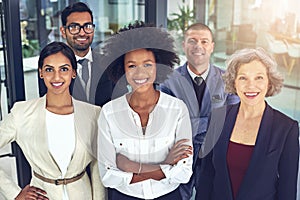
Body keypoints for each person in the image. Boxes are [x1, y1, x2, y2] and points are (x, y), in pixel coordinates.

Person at [97, 21, 193, 200]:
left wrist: (131, 166)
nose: (140, 73)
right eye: (132, 66)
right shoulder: (109, 113)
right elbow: (108, 176)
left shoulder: (177, 109)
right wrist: (165, 165)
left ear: (159, 66)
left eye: (147, 64)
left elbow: (184, 172)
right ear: (122, 69)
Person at [0, 42, 105, 200]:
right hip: (41, 195)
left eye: (64, 69)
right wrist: (13, 193)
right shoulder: (21, 113)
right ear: (41, 73)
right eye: (49, 69)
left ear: (73, 73)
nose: (56, 77)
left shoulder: (93, 114)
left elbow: (97, 168)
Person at [198, 47, 299, 200]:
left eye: (259, 78)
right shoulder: (218, 117)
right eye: (243, 78)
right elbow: (207, 174)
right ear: (234, 82)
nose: (251, 86)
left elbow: (287, 188)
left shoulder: (286, 129)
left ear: (269, 82)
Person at [160, 23, 239, 199]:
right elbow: (167, 122)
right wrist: (211, 122)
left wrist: (190, 122)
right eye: (192, 41)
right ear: (184, 45)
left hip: (214, 157)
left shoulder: (228, 80)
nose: (198, 46)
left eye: (204, 41)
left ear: (212, 46)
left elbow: (232, 120)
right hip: (178, 156)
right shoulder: (168, 82)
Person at [38, 2, 113, 106]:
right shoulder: (51, 68)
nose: (82, 33)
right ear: (63, 31)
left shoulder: (109, 64)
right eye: (74, 27)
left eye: (87, 26)